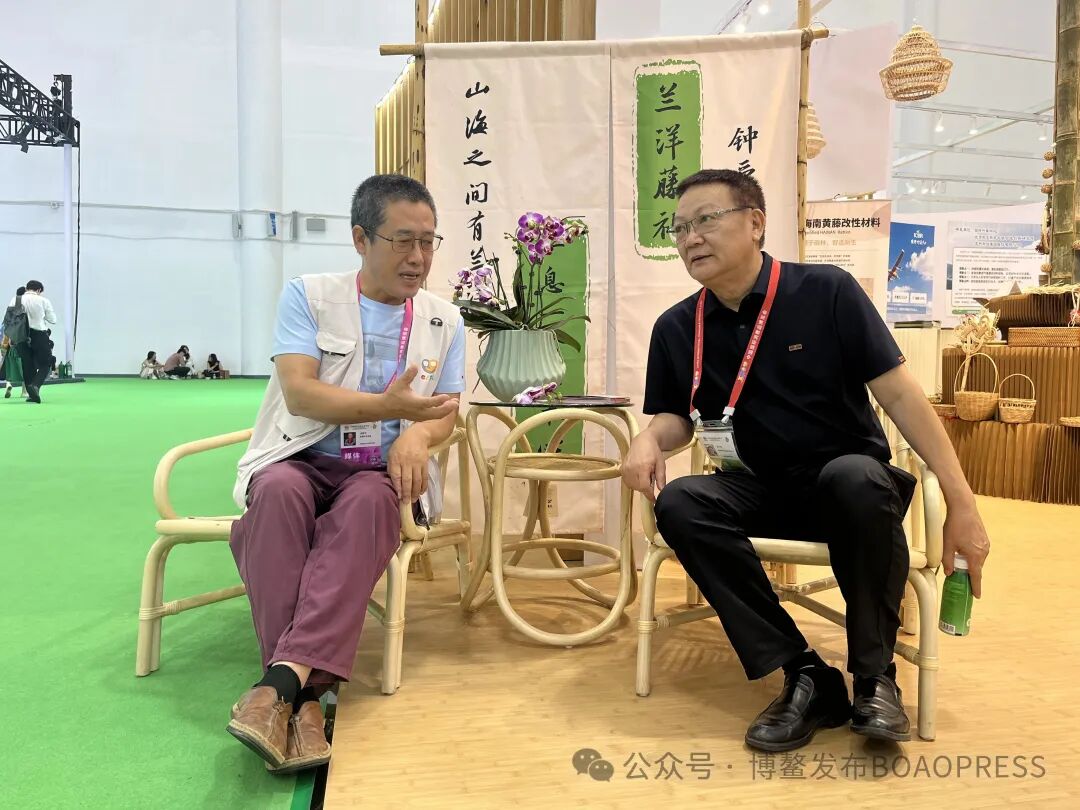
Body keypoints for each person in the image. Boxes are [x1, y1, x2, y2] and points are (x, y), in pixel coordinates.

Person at [622, 169, 991, 752]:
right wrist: (648, 438)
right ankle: (806, 673)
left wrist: (961, 501)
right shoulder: (677, 327)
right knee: (683, 500)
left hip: (848, 491)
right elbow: (675, 417)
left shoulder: (827, 292)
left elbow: (901, 397)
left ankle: (875, 678)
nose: (691, 237)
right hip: (755, 488)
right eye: (680, 227)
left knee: (854, 475)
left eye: (706, 220)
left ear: (755, 223)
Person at [225, 174, 465, 774]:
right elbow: (301, 394)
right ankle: (309, 695)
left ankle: (277, 688)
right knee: (276, 494)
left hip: (377, 470)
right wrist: (390, 407)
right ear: (361, 239)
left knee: (368, 505)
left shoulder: (445, 319)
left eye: (428, 242)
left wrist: (416, 433)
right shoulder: (309, 296)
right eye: (402, 240)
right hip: (299, 454)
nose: (418, 257)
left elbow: (446, 411)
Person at [13, 281, 57, 404]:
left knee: (27, 365)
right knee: (46, 362)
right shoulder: (43, 301)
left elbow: (10, 319)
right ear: (38, 290)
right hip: (39, 334)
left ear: (27, 288)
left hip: (21, 336)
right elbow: (53, 320)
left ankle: (31, 394)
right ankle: (35, 386)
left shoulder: (16, 300)